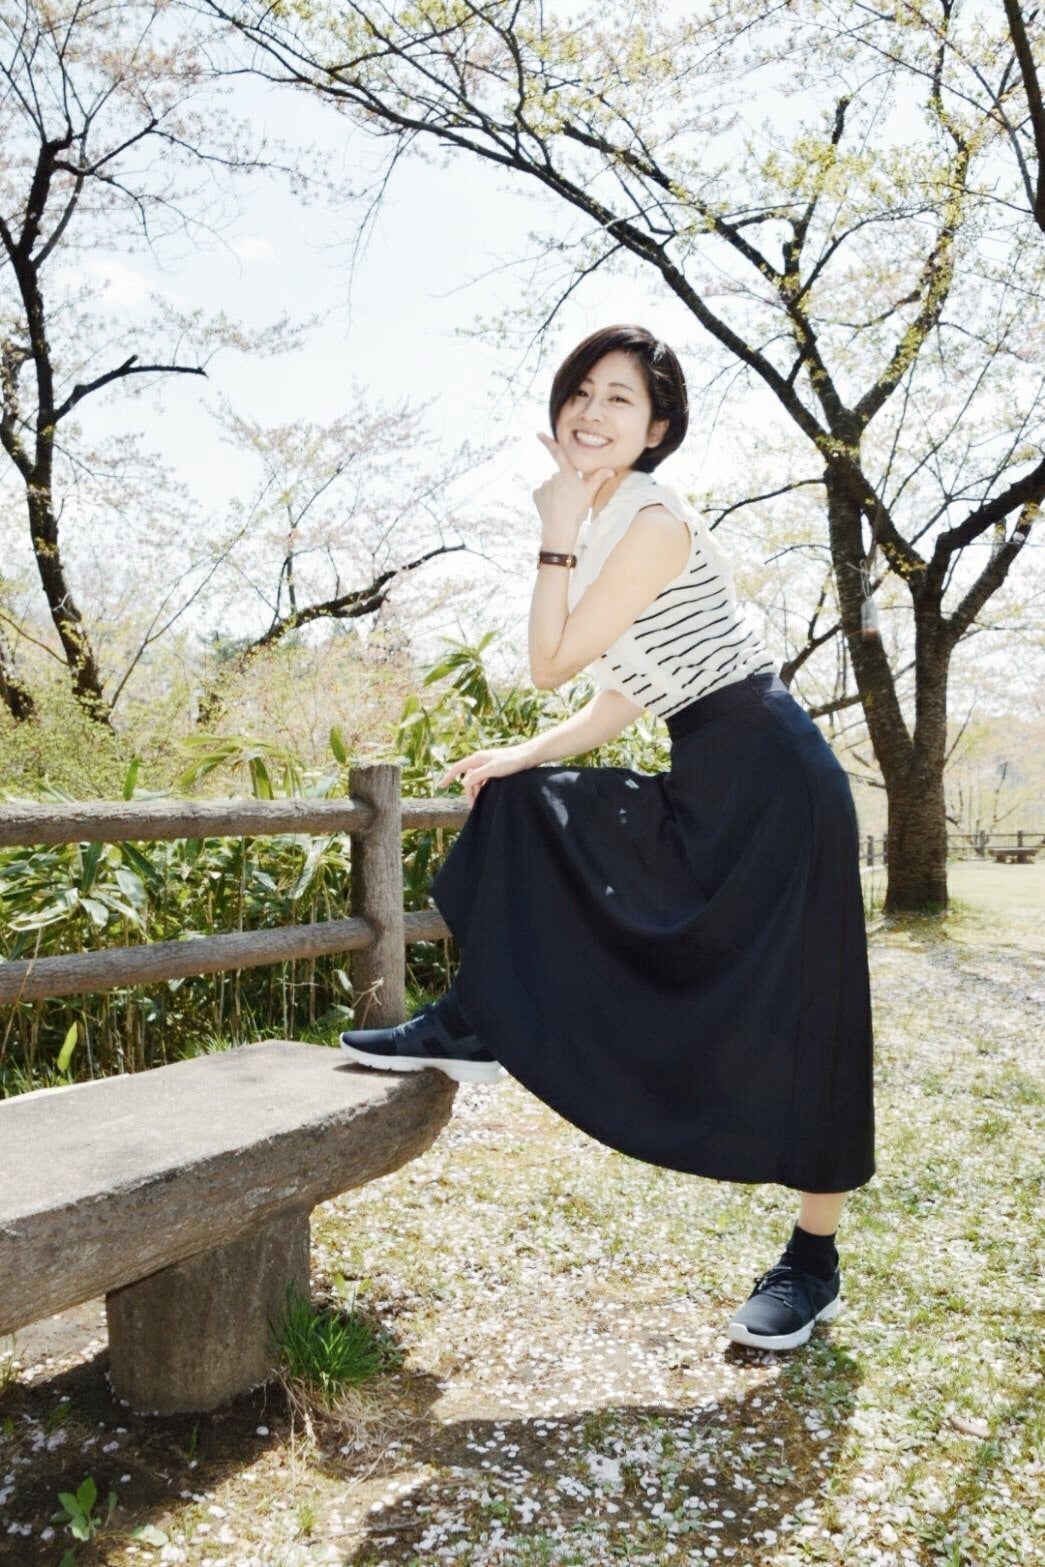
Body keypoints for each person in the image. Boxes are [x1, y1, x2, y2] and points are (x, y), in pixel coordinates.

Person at [339, 323, 876, 1353]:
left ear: (657, 429)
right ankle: (475, 1018)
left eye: (620, 398)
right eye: (580, 390)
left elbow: (549, 662)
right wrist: (520, 753)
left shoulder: (650, 520)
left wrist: (551, 529)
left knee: (809, 1012)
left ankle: (812, 1260)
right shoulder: (606, 524)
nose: (591, 411)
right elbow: (619, 695)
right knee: (520, 801)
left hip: (775, 778)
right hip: (705, 763)